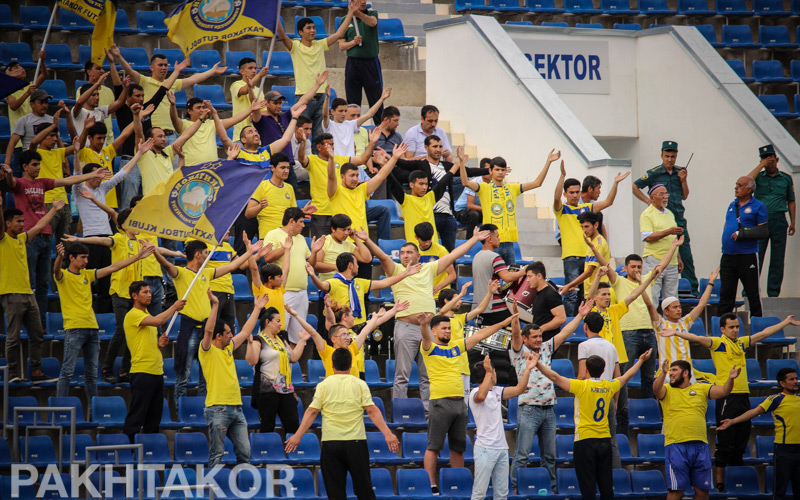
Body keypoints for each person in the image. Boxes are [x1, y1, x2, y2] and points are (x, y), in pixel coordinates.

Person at [659, 313, 800, 491]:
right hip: (727, 396)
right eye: (731, 327)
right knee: (725, 440)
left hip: (743, 396)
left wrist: (785, 322)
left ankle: (736, 481)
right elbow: (698, 338)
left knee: (742, 437)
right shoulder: (718, 343)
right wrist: (676, 333)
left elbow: (764, 333)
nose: (735, 330)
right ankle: (720, 483)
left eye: (737, 327)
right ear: (722, 329)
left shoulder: (741, 343)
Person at [364, 228, 491, 406]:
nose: (405, 255)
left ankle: (428, 411)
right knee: (402, 375)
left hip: (429, 329)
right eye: (402, 253)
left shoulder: (428, 268)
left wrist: (474, 239)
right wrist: (367, 240)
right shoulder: (396, 270)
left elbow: (453, 255)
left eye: (409, 252)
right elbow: (383, 257)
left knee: (427, 374)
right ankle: (400, 410)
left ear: (418, 255)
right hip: (406, 327)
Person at [4, 148, 112, 331]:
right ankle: (25, 324)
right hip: (29, 237)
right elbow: (11, 182)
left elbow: (67, 181)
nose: (38, 168)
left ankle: (40, 324)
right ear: (24, 166)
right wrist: (8, 173)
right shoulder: (20, 184)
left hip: (46, 236)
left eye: (39, 164)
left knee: (43, 284)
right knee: (29, 281)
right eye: (34, 165)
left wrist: (92, 174)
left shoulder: (43, 182)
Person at [152, 236, 266, 399]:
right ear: (197, 255)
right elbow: (166, 264)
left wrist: (250, 252)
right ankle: (179, 409)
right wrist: (154, 251)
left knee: (206, 375)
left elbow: (232, 266)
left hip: (206, 330)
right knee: (184, 375)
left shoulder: (207, 273)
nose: (207, 256)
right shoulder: (181, 273)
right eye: (205, 253)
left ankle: (204, 407)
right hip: (190, 329)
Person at [420, 312, 519, 493]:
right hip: (440, 401)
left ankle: (457, 484)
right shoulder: (429, 347)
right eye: (444, 328)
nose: (448, 331)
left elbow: (481, 334)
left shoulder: (456, 346)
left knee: (458, 447)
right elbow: (425, 337)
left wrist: (504, 322)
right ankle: (431, 485)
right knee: (434, 446)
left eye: (449, 328)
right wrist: (423, 325)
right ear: (434, 331)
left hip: (460, 402)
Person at [536, 348, 652, 500]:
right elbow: (626, 376)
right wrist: (641, 361)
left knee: (588, 488)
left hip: (584, 441)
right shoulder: (608, 385)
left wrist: (537, 364)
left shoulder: (581, 386)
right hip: (604, 440)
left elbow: (555, 377)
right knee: (606, 487)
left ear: (586, 370)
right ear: (603, 371)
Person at [285, 348, 398, 500]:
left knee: (335, 492)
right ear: (351, 364)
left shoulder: (323, 385)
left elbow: (312, 411)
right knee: (364, 489)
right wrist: (388, 434)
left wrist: (297, 436)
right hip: (356, 443)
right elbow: (372, 410)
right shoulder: (360, 384)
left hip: (331, 443)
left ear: (332, 364)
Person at [53, 241, 153, 402]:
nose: (86, 261)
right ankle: (59, 409)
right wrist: (59, 257)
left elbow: (114, 267)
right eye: (83, 257)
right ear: (71, 257)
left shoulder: (87, 274)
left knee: (92, 374)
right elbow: (56, 271)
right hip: (74, 328)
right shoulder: (64, 275)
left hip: (92, 328)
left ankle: (94, 410)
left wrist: (138, 256)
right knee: (67, 371)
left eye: (87, 257)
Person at [508, 301, 592, 492]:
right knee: (522, 454)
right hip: (528, 409)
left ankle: (551, 488)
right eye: (535, 337)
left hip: (549, 410)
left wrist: (580, 315)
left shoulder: (546, 348)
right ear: (525, 339)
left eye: (540, 336)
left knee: (549, 456)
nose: (539, 339)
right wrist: (515, 318)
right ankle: (515, 488)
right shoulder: (519, 352)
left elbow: (565, 332)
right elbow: (515, 335)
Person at [73, 130, 150, 313]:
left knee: (107, 281)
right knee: (88, 280)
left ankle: (106, 315)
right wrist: (76, 153)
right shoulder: (80, 190)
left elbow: (122, 174)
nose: (101, 177)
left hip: (109, 238)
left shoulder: (103, 187)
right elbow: (76, 174)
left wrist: (139, 153)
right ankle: (87, 313)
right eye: (97, 174)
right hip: (91, 239)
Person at [110, 56, 190, 208]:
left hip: (148, 160)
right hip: (131, 159)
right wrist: (113, 61)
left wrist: (177, 71)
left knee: (147, 201)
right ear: (128, 97)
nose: (141, 99)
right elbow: (117, 87)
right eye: (137, 96)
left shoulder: (147, 109)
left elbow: (162, 90)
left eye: (142, 96)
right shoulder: (122, 110)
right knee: (129, 203)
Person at [654, 358, 740, 500]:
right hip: (676, 445)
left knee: (702, 492)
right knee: (676, 491)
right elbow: (656, 390)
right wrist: (663, 373)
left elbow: (724, 391)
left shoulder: (701, 388)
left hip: (700, 446)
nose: (671, 373)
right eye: (670, 371)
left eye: (674, 370)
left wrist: (731, 379)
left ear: (685, 373)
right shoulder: (667, 389)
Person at [0, 198, 65, 383]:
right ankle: (12, 373)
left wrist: (53, 210)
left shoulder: (22, 238)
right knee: (13, 337)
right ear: (8, 223)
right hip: (11, 294)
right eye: (18, 221)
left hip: (29, 294)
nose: (22, 224)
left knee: (37, 334)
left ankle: (36, 372)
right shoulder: (3, 239)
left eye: (23, 221)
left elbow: (40, 225)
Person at [276, 1, 361, 141]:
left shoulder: (320, 44)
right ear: (300, 32)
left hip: (321, 96)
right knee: (300, 135)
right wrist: (276, 16)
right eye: (308, 28)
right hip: (304, 96)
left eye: (314, 28)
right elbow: (283, 36)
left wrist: (351, 12)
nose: (312, 30)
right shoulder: (295, 46)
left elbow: (339, 33)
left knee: (319, 136)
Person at [460, 149, 560, 265]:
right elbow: (465, 182)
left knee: (511, 275)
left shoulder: (512, 188)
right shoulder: (484, 188)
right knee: (493, 275)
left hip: (509, 243)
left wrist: (548, 162)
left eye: (503, 170)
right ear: (491, 171)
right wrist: (461, 163)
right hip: (492, 242)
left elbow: (537, 183)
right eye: (497, 169)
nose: (500, 172)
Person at [554, 161, 628, 316]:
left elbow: (608, 202)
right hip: (571, 256)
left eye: (577, 192)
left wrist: (615, 183)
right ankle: (571, 324)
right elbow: (555, 198)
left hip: (588, 255)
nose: (575, 195)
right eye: (571, 192)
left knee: (585, 295)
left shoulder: (586, 208)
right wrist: (562, 175)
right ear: (565, 194)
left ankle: (583, 322)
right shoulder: (562, 209)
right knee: (571, 294)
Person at [200, 290, 264, 466]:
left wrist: (257, 309)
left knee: (245, 453)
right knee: (217, 455)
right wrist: (215, 305)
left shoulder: (228, 348)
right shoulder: (207, 350)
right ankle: (213, 484)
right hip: (217, 409)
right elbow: (208, 330)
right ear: (219, 336)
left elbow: (245, 331)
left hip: (236, 408)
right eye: (228, 332)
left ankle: (242, 482)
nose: (231, 335)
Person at [717, 367, 800, 500]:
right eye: (791, 379)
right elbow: (754, 412)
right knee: (780, 490)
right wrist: (732, 421)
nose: (795, 381)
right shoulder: (776, 399)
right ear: (782, 383)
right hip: (784, 449)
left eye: (796, 378)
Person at [112, 46, 226, 142]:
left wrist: (212, 71)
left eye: (166, 65)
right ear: (152, 67)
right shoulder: (144, 81)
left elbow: (193, 79)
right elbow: (130, 71)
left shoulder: (173, 83)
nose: (164, 68)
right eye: (160, 65)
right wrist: (119, 56)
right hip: (152, 134)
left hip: (171, 135)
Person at [390, 141, 486, 251]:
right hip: (415, 252)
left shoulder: (429, 197)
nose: (424, 187)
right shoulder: (406, 200)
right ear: (411, 185)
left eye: (426, 184)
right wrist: (392, 159)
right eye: (421, 184)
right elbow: (392, 182)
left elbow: (443, 183)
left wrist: (456, 165)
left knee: (450, 255)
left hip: (434, 253)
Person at [122, 281, 185, 442]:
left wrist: (159, 344)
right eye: (145, 292)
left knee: (154, 420)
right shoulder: (133, 315)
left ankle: (149, 452)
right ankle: (127, 451)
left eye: (150, 291)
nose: (149, 295)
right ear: (134, 296)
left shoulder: (147, 315)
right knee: (136, 417)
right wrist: (174, 307)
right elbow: (158, 321)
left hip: (156, 372)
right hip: (142, 373)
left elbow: (148, 342)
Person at [470, 352, 538, 500]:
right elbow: (481, 397)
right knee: (479, 493)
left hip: (501, 447)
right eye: (493, 371)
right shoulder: (474, 392)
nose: (495, 374)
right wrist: (489, 371)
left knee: (502, 494)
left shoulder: (497, 391)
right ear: (488, 373)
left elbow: (519, 389)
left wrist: (528, 369)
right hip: (485, 448)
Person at [633, 141, 698, 296]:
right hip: (661, 219)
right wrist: (648, 201)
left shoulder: (680, 172)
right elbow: (635, 186)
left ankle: (692, 290)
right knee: (662, 252)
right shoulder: (654, 173)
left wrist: (684, 180)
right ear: (662, 155)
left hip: (677, 218)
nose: (670, 159)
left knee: (686, 255)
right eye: (667, 156)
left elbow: (685, 195)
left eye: (672, 156)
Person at [307, 251, 418, 330]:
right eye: (356, 263)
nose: (358, 266)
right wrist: (312, 275)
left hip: (360, 327)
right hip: (342, 330)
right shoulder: (333, 282)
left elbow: (384, 283)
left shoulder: (359, 282)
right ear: (350, 265)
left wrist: (406, 273)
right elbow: (321, 285)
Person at [644, 267, 719, 383]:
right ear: (666, 311)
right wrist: (641, 284)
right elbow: (649, 305)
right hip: (669, 374)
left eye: (679, 307)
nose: (679, 309)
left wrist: (710, 283)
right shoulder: (660, 325)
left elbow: (701, 305)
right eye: (675, 307)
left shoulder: (684, 322)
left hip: (687, 374)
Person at [262, 208, 323, 346]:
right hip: (283, 293)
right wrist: (285, 248)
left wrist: (314, 252)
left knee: (298, 337)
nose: (303, 225)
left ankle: (292, 361)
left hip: (302, 293)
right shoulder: (273, 234)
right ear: (291, 221)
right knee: (277, 333)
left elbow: (310, 265)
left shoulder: (301, 238)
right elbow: (267, 258)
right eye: (301, 222)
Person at [297, 132, 374, 238]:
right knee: (321, 245)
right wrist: (303, 142)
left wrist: (372, 143)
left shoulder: (341, 159)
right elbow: (301, 159)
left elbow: (362, 159)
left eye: (332, 144)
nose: (331, 147)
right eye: (328, 145)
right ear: (319, 147)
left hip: (340, 212)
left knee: (341, 245)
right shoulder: (313, 160)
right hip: (321, 212)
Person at [246, 305, 308, 434]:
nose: (280, 324)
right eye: (278, 321)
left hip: (286, 389)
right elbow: (251, 361)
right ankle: (266, 447)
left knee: (293, 424)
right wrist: (250, 344)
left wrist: (302, 341)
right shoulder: (258, 340)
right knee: (268, 425)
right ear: (267, 322)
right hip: (267, 390)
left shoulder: (282, 338)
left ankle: (291, 447)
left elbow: (293, 357)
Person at [585, 265, 662, 368]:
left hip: (615, 357)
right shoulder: (591, 311)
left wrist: (650, 278)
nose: (607, 297)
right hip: (598, 356)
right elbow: (589, 298)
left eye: (608, 294)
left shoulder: (614, 310)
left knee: (620, 379)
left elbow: (633, 295)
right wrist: (598, 276)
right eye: (603, 294)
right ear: (595, 297)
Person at [576, 310, 625, 469]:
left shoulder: (584, 346)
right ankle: (616, 476)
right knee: (612, 441)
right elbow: (618, 376)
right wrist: (615, 401)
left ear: (585, 326)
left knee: (588, 441)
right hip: (608, 395)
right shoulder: (611, 346)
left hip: (590, 397)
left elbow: (582, 375)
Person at [251, 72, 329, 170]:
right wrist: (250, 89)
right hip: (271, 164)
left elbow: (303, 101)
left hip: (288, 164)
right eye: (275, 103)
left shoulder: (285, 117)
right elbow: (255, 109)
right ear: (266, 103)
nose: (278, 106)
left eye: (280, 103)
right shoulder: (261, 120)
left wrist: (317, 85)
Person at [747, 144, 796, 297]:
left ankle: (773, 293)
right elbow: (746, 182)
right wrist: (760, 166)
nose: (769, 163)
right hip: (760, 222)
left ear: (777, 160)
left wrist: (793, 222)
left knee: (777, 259)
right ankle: (749, 291)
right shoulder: (758, 177)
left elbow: (791, 201)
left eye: (771, 159)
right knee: (756, 257)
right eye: (765, 160)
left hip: (779, 221)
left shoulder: (786, 179)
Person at [326, 129, 398, 233]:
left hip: (362, 239)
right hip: (345, 240)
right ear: (342, 177)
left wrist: (394, 158)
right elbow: (331, 177)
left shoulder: (361, 190)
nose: (355, 179)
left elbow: (381, 176)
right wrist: (331, 159)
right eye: (351, 176)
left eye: (357, 175)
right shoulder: (335, 191)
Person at [437, 279, 500, 395]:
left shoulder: (459, 318)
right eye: (457, 299)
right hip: (449, 368)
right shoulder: (439, 320)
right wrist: (461, 294)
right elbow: (442, 311)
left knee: (464, 403)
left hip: (463, 367)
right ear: (446, 301)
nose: (460, 301)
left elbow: (480, 309)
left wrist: (490, 292)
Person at [27, 107, 80, 242]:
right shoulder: (34, 153)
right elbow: (34, 142)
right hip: (46, 202)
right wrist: (54, 125)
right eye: (51, 135)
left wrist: (69, 117)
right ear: (42, 136)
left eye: (56, 136)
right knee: (45, 240)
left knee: (65, 243)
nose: (55, 139)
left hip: (63, 202)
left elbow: (80, 145)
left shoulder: (58, 152)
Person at [718, 176, 768, 317]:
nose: (736, 188)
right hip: (728, 256)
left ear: (749, 189)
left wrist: (742, 233)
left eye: (740, 185)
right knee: (726, 294)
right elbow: (728, 224)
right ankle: (722, 325)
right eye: (736, 184)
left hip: (746, 256)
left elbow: (763, 231)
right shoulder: (732, 205)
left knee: (752, 293)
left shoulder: (758, 206)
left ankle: (757, 323)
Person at [133, 103, 202, 197]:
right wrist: (136, 115)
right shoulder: (144, 154)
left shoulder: (167, 152)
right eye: (160, 136)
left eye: (164, 136)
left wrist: (201, 119)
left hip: (167, 199)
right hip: (152, 200)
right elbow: (138, 134)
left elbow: (186, 135)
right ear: (150, 139)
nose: (164, 139)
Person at [169, 97, 261, 167]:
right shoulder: (184, 124)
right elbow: (173, 118)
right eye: (198, 108)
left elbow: (234, 119)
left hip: (211, 169)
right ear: (189, 111)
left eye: (203, 107)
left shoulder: (211, 123)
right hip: (191, 169)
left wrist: (251, 109)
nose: (202, 110)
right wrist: (173, 105)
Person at [4, 90, 71, 178]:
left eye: (46, 103)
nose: (44, 105)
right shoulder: (24, 120)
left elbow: (59, 143)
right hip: (32, 163)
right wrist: (7, 164)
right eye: (41, 103)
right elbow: (12, 143)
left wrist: (66, 165)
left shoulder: (52, 120)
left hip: (52, 163)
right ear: (32, 104)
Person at [471, 224, 527, 325]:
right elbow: (507, 277)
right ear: (489, 239)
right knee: (516, 326)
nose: (499, 239)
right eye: (497, 236)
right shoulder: (495, 257)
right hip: (494, 307)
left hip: (479, 307)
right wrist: (524, 271)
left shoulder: (476, 256)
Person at [339, 0, 383, 126]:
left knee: (375, 98)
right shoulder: (345, 20)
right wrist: (353, 42)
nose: (363, 1)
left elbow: (373, 22)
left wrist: (356, 13)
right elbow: (341, 45)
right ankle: (353, 129)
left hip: (370, 63)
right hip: (353, 63)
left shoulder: (372, 14)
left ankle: (380, 129)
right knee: (352, 101)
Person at [78, 119, 136, 208]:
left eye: (103, 138)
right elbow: (79, 144)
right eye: (99, 138)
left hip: (111, 203)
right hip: (94, 203)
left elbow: (124, 135)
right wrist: (85, 129)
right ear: (89, 138)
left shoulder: (108, 151)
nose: (102, 141)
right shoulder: (84, 152)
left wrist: (137, 117)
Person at [640, 184, 683, 303]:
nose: (665, 197)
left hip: (672, 261)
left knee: (672, 297)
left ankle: (669, 316)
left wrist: (678, 257)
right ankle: (652, 316)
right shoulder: (647, 214)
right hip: (655, 260)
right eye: (661, 194)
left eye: (666, 194)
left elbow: (673, 239)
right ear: (652, 197)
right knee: (652, 294)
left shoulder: (669, 213)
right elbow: (647, 237)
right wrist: (668, 231)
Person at [560, 211, 609, 298]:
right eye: (582, 227)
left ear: (596, 225)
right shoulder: (591, 242)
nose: (584, 230)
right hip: (592, 291)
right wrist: (576, 284)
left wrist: (569, 285)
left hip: (598, 293)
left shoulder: (598, 244)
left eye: (587, 226)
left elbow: (589, 272)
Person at [313, 215, 371, 281]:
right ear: (333, 229)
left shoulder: (348, 243)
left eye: (348, 229)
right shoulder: (324, 241)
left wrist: (356, 238)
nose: (346, 233)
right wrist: (335, 267)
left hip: (347, 284)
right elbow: (316, 265)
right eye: (343, 230)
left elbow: (367, 259)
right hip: (329, 284)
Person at [73, 75, 129, 143]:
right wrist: (97, 84)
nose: (97, 98)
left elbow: (120, 102)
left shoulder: (101, 110)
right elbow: (79, 102)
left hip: (102, 149)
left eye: (97, 95)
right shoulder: (78, 112)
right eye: (93, 95)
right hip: (85, 149)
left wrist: (126, 88)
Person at [4, 56, 48, 145]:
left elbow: (44, 75)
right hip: (19, 140)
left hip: (33, 137)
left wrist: (42, 60)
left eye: (21, 67)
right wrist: (27, 93)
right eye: (16, 68)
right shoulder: (9, 89)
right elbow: (13, 106)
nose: (21, 69)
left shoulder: (30, 85)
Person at [522, 262, 566, 341]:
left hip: (548, 341)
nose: (527, 280)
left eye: (530, 276)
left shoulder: (551, 294)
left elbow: (561, 318)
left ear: (539, 276)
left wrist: (541, 329)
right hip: (539, 340)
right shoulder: (536, 295)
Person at [230, 57, 269, 140]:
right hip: (240, 137)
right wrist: (259, 75)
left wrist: (256, 115)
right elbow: (245, 90)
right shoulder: (236, 85)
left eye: (255, 68)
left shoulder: (259, 90)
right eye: (250, 68)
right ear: (242, 71)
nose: (254, 71)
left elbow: (264, 112)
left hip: (256, 136)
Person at [77, 59, 115, 145]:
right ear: (89, 72)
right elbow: (80, 106)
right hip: (90, 141)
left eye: (103, 68)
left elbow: (115, 111)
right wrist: (94, 84)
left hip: (108, 140)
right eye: (98, 68)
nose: (102, 71)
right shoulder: (81, 90)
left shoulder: (109, 91)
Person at [414, 222, 456, 298]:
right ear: (416, 237)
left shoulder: (441, 251)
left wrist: (438, 287)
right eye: (424, 240)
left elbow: (452, 275)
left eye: (429, 239)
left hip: (439, 295)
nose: (427, 243)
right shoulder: (414, 252)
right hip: (422, 295)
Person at [454, 167, 491, 239]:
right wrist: (486, 209)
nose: (491, 173)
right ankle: (470, 240)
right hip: (461, 211)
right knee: (474, 215)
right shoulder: (474, 183)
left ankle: (487, 239)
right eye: (488, 170)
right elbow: (470, 206)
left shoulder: (492, 184)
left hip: (477, 210)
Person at [580, 175, 608, 240]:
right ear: (590, 189)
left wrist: (604, 242)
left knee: (598, 214)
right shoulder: (575, 202)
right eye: (598, 189)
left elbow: (601, 225)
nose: (599, 192)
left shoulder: (592, 203)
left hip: (589, 238)